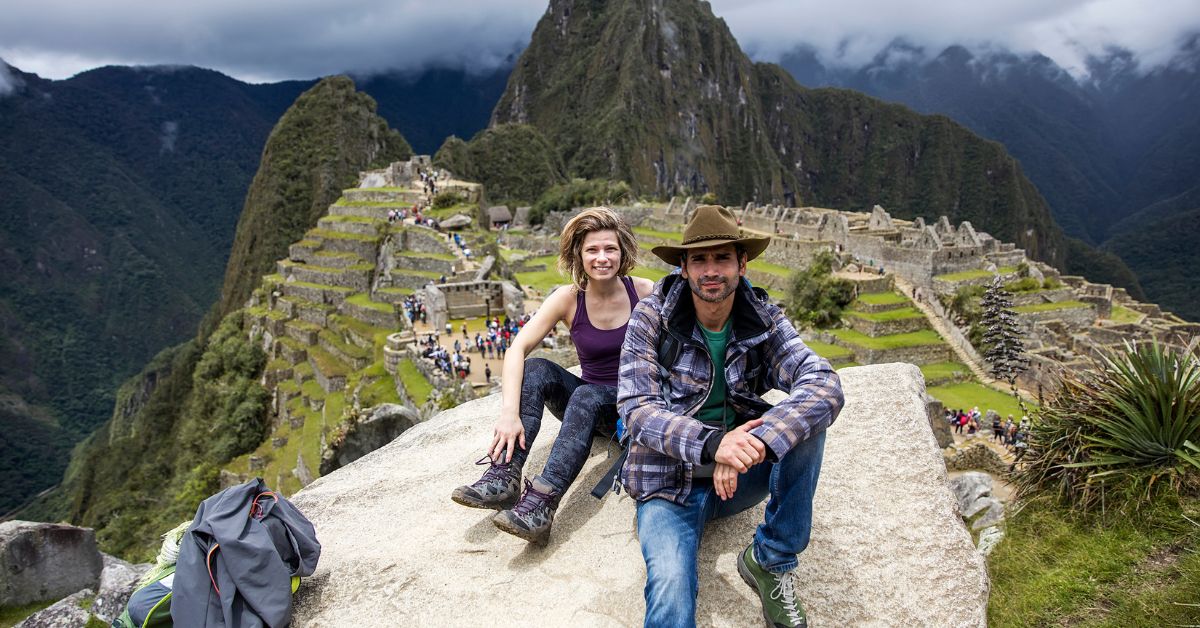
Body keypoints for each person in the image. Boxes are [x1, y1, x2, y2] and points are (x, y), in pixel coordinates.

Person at [617, 205, 844, 628]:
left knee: (806, 424)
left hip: (739, 476)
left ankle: (771, 559)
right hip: (667, 481)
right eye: (699, 259)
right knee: (669, 589)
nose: (711, 270)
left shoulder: (761, 316)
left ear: (742, 263)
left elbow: (823, 384)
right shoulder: (651, 318)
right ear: (682, 268)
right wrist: (714, 442)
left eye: (722, 258)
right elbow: (636, 409)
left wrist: (752, 443)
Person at [451, 207, 654, 544]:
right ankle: (505, 474)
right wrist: (508, 414)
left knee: (585, 396)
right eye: (592, 250)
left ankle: (542, 505)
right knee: (538, 368)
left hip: (633, 409)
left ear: (623, 252)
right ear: (578, 254)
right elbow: (517, 349)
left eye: (610, 249)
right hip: (589, 403)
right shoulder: (569, 298)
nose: (602, 258)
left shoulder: (645, 292)